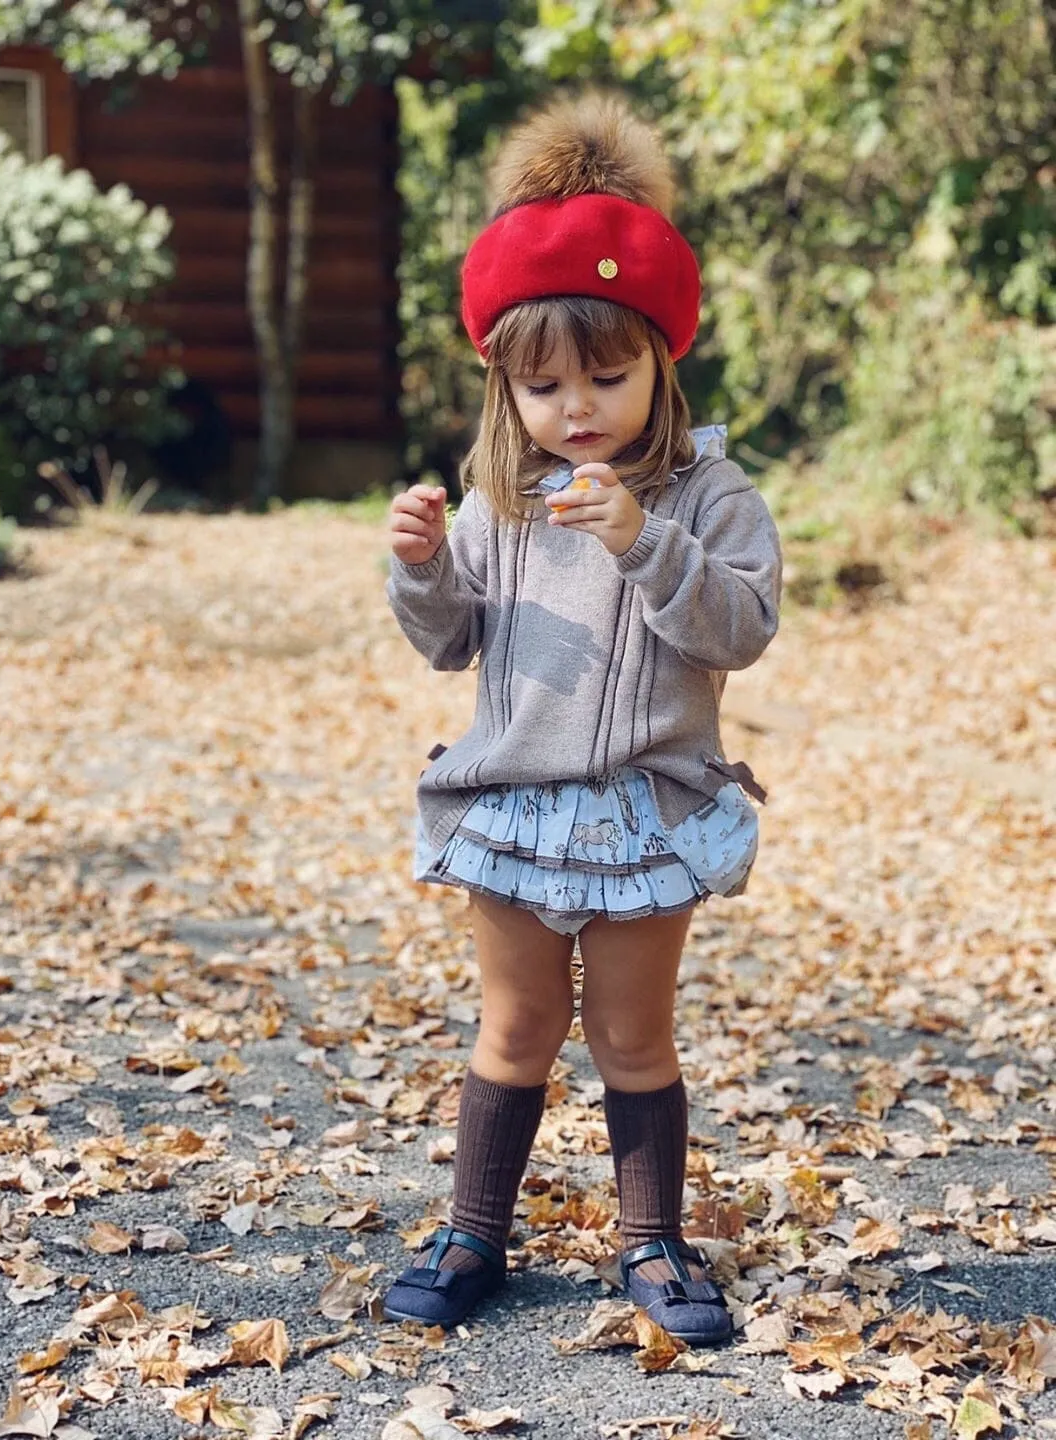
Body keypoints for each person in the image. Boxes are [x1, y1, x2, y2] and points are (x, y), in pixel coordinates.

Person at [382, 91, 782, 1347]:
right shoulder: (498, 497)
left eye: (607, 376)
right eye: (545, 385)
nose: (577, 410)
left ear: (664, 358)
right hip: (512, 802)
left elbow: (742, 627)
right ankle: (474, 1232)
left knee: (630, 1033)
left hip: (647, 808)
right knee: (514, 1026)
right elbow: (455, 644)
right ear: (505, 382)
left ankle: (651, 1239)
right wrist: (421, 566)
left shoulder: (711, 496)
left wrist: (643, 543)